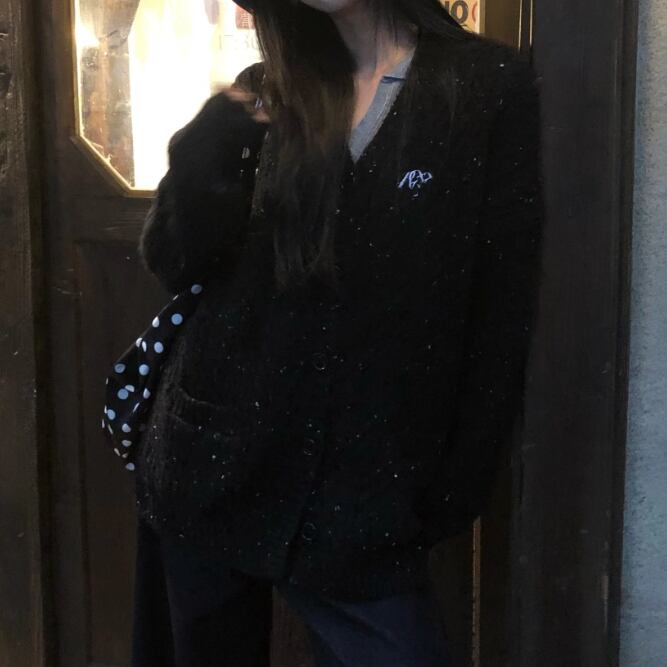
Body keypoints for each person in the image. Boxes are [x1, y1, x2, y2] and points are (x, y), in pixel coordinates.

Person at [131, 0, 545, 664]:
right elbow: (177, 263)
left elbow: (501, 305)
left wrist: (455, 484)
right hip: (210, 463)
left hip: (364, 498)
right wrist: (206, 151)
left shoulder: (483, 88)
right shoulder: (265, 91)